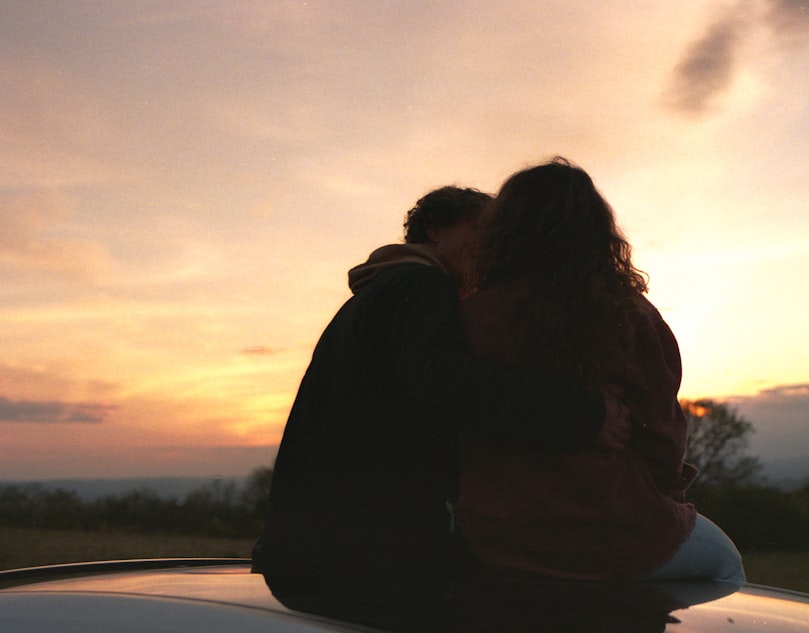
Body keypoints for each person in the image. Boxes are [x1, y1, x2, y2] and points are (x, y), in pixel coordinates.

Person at [253, 186, 630, 606]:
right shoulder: (423, 283)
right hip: (366, 561)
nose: (489, 245)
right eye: (478, 228)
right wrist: (584, 414)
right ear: (435, 230)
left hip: (317, 550)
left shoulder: (378, 295)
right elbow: (449, 384)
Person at [457, 159, 745, 584]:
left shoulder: (469, 317)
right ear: (597, 234)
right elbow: (662, 440)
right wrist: (666, 499)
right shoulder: (629, 315)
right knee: (725, 563)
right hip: (614, 526)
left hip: (496, 534)